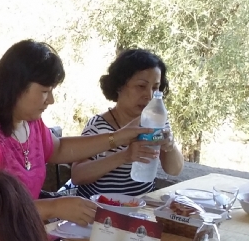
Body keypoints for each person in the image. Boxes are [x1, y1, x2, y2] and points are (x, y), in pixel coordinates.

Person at [0, 40, 150, 227]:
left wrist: (119, 137)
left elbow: (59, 149)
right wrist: (53, 208)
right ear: (16, 87)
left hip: (25, 234)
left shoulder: (30, 123)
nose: (51, 100)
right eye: (45, 91)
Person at [72, 49, 183, 198]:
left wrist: (170, 145)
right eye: (141, 86)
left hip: (141, 207)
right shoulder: (98, 126)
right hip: (100, 208)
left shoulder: (156, 123)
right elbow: (78, 175)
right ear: (119, 86)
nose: (149, 95)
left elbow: (174, 170)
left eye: (155, 88)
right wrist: (125, 156)